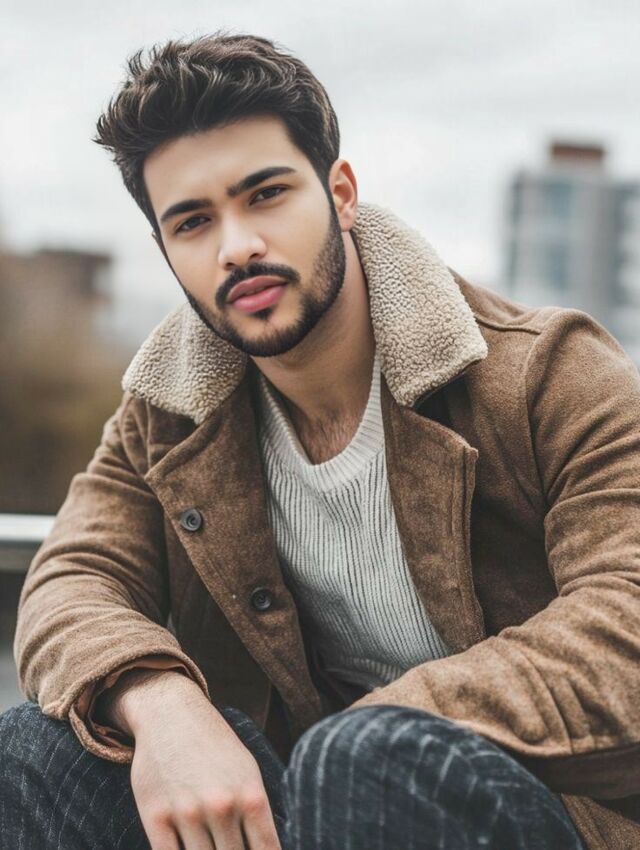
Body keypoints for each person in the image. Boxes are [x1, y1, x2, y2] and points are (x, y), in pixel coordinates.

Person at [1, 31, 638, 850]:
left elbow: (626, 618)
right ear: (166, 251)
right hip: (292, 811)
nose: (237, 246)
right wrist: (160, 701)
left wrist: (367, 738)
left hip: (535, 810)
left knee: (366, 761)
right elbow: (73, 578)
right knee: (32, 750)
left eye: (265, 194)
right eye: (193, 222)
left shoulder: (547, 372)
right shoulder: (168, 411)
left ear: (340, 194)